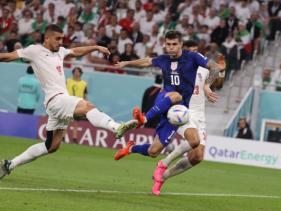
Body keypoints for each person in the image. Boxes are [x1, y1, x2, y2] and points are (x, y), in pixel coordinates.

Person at [0, 24, 137, 180]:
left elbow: (76, 51)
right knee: (88, 106)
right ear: (47, 38)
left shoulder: (60, 51)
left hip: (58, 103)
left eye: (62, 39)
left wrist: (96, 47)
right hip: (56, 100)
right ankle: (116, 127)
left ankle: (9, 165)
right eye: (57, 38)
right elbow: (7, 56)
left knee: (51, 146)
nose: (60, 42)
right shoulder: (34, 50)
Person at [113, 31, 224, 161]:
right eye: (168, 44)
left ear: (181, 44)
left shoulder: (192, 57)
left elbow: (215, 67)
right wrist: (127, 63)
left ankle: (130, 148)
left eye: (174, 44)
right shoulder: (163, 59)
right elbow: (147, 61)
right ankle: (144, 119)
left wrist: (207, 85)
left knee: (154, 151)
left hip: (178, 110)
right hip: (165, 99)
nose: (171, 47)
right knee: (176, 95)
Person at [150, 40, 223, 196]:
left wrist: (220, 72)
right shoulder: (177, 68)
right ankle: (164, 162)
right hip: (183, 110)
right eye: (192, 50)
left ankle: (163, 176)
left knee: (197, 156)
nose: (196, 53)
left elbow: (218, 83)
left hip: (200, 114)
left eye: (197, 50)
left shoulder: (203, 68)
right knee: (193, 139)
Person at [66, 67, 88, 143]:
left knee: (75, 122)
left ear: (80, 73)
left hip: (78, 104)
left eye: (77, 72)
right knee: (66, 121)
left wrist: (85, 104)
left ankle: (74, 138)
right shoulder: (68, 81)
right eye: (74, 72)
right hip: (68, 103)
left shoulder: (84, 83)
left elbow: (85, 95)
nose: (76, 73)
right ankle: (62, 137)